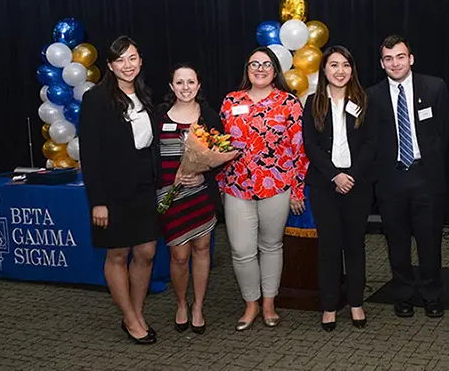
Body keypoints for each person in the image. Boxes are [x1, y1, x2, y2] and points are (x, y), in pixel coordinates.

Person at [217, 47, 308, 330]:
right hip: (236, 187)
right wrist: (220, 183)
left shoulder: (289, 103)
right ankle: (250, 303)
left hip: (277, 186)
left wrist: (298, 189)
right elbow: (218, 144)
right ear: (247, 69)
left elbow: (299, 150)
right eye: (254, 63)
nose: (260, 68)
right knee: (241, 250)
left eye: (266, 64)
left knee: (271, 246)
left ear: (275, 70)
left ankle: (269, 303)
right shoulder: (231, 101)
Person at [80, 36, 160, 344]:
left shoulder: (146, 95)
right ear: (111, 66)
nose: (127, 65)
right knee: (117, 253)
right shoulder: (96, 99)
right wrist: (97, 201)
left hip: (144, 185)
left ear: (140, 61)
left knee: (147, 251)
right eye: (121, 60)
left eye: (133, 58)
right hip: (112, 190)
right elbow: (90, 154)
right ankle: (130, 319)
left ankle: (136, 313)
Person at [367, 35, 449, 319]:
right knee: (397, 242)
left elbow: (445, 132)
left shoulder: (435, 87)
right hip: (391, 180)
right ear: (381, 63)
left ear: (411, 58)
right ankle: (402, 293)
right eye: (388, 59)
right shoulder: (372, 95)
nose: (395, 63)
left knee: (429, 241)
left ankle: (432, 294)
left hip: (426, 177)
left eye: (400, 57)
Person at [157, 64, 237, 335]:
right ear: (171, 86)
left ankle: (198, 306)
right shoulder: (158, 116)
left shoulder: (209, 117)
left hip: (201, 195)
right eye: (179, 82)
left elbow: (222, 155)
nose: (185, 87)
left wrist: (205, 177)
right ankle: (181, 303)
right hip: (170, 194)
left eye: (191, 82)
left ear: (199, 85)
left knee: (203, 250)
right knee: (179, 256)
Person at [302, 46, 376, 331]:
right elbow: (311, 145)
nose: (340, 70)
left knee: (355, 245)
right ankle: (329, 306)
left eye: (345, 65)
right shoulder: (312, 103)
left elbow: (371, 143)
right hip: (324, 185)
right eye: (334, 65)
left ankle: (356, 303)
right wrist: (335, 175)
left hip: (357, 184)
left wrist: (351, 175)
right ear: (324, 70)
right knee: (329, 248)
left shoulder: (364, 100)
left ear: (352, 69)